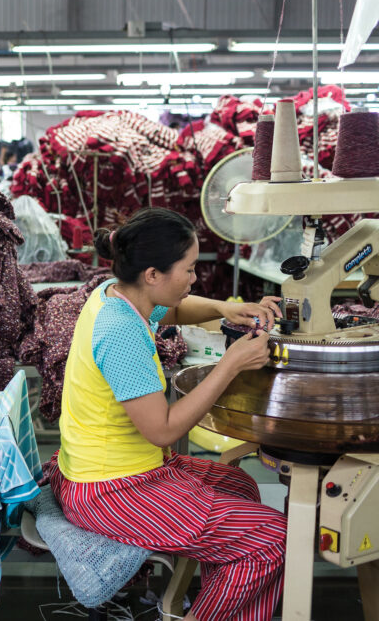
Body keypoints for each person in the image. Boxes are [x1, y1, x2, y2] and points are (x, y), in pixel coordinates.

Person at [48, 208, 286, 621]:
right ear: (153, 274)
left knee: (241, 486)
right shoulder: (121, 332)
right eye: (189, 270)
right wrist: (229, 364)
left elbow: (172, 311)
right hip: (110, 492)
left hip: (119, 471)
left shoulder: (115, 293)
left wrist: (225, 309)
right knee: (270, 536)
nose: (195, 278)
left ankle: (213, 600)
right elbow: (163, 430)